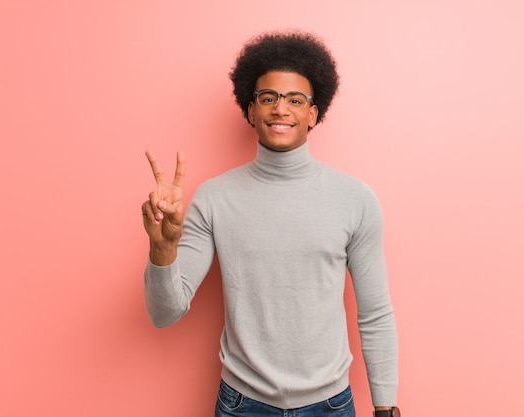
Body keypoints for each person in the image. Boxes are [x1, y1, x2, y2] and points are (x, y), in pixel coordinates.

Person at [141, 31, 400, 417]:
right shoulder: (214, 197)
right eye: (268, 98)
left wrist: (385, 407)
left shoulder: (355, 199)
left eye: (296, 100)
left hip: (330, 404)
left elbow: (375, 311)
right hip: (242, 404)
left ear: (313, 113)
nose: (281, 109)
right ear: (251, 110)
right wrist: (162, 248)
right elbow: (165, 314)